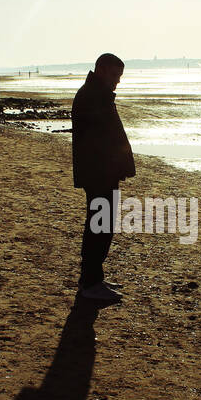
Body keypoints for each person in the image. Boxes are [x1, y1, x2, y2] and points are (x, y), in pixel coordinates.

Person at [72, 52, 134, 303]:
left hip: (102, 172)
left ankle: (94, 278)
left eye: (119, 76)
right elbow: (99, 140)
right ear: (101, 70)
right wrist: (114, 165)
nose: (117, 81)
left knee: (102, 226)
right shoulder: (91, 95)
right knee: (99, 227)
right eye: (115, 75)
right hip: (98, 173)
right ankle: (90, 282)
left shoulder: (97, 94)